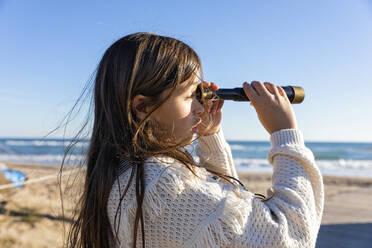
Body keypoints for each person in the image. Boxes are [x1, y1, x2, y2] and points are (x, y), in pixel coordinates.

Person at [66, 32, 324, 248]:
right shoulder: (163, 186)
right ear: (142, 107)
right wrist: (285, 133)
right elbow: (290, 237)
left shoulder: (127, 172)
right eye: (190, 95)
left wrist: (210, 136)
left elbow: (225, 219)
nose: (200, 107)